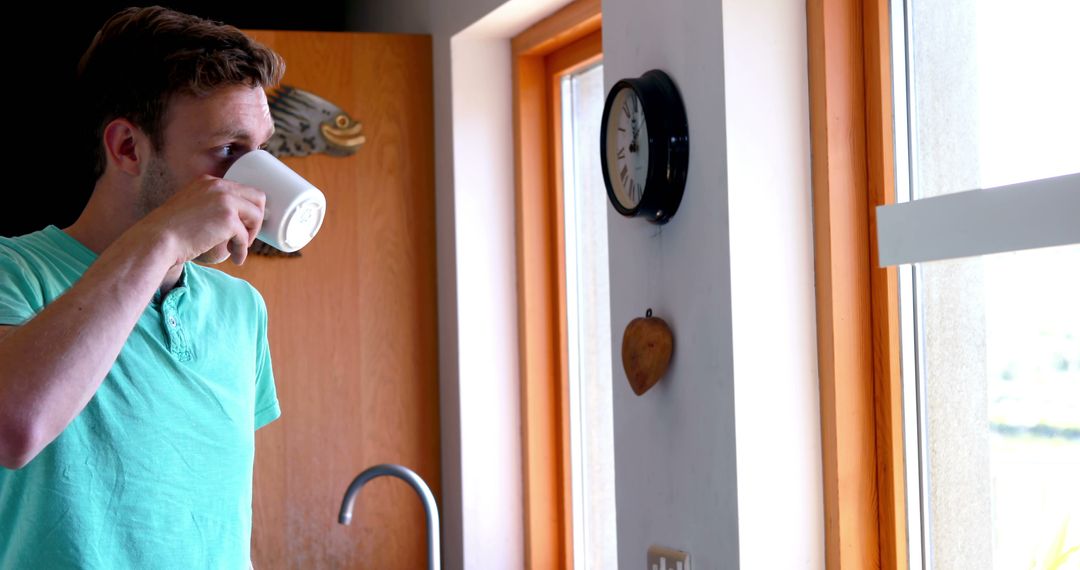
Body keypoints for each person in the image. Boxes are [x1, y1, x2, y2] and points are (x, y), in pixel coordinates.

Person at [0, 6, 285, 567]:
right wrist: (161, 241)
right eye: (228, 151)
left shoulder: (241, 308)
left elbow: (223, 517)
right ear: (128, 148)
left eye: (261, 150)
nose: (252, 179)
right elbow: (14, 427)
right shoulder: (15, 271)